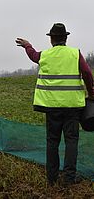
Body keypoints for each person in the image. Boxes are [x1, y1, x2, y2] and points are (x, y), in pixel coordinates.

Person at [15, 23, 94, 186]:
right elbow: (86, 72)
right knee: (71, 141)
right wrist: (92, 93)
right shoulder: (75, 54)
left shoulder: (45, 55)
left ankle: (52, 179)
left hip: (52, 107)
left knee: (52, 141)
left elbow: (33, 56)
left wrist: (27, 45)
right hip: (73, 107)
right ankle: (69, 179)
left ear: (51, 39)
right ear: (65, 38)